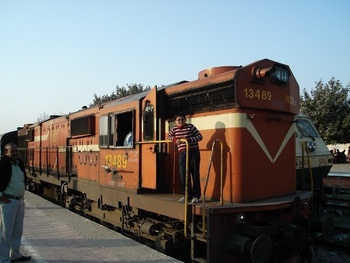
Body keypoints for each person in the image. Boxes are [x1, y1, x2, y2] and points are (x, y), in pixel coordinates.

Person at [0, 143, 31, 262]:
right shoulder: (2, 164)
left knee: (18, 230)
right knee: (5, 231)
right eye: (12, 151)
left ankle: (16, 255)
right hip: (8, 202)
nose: (15, 153)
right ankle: (3, 259)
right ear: (5, 152)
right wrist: (1, 196)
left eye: (16, 151)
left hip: (19, 201)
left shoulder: (19, 163)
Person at [168, 114, 203, 203]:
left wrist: (189, 140)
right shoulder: (174, 129)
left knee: (194, 174)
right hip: (183, 153)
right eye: (178, 120)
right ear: (175, 121)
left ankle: (196, 196)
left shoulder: (191, 127)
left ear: (185, 120)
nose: (180, 121)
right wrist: (175, 139)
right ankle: (186, 195)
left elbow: (200, 137)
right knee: (183, 174)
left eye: (182, 119)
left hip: (193, 152)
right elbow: (169, 136)